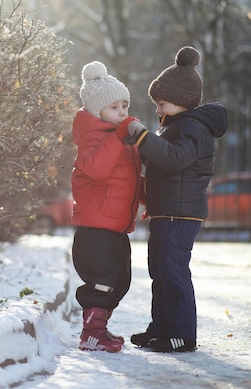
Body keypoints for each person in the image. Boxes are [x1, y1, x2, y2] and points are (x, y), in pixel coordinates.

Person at [118, 46, 228, 352]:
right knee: (160, 271)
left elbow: (174, 160)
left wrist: (143, 137)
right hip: (167, 211)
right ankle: (162, 328)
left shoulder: (193, 129)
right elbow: (162, 167)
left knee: (174, 271)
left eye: (161, 103)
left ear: (179, 101)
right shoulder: (176, 127)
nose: (157, 109)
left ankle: (182, 334)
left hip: (181, 215)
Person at [71, 60, 144, 353]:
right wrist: (119, 136)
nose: (123, 112)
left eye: (125, 106)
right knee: (102, 280)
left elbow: (132, 180)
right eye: (115, 107)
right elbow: (97, 169)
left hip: (116, 227)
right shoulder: (92, 139)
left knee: (121, 280)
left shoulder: (122, 140)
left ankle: (98, 327)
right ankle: (91, 334)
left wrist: (146, 202)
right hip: (95, 228)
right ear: (96, 110)